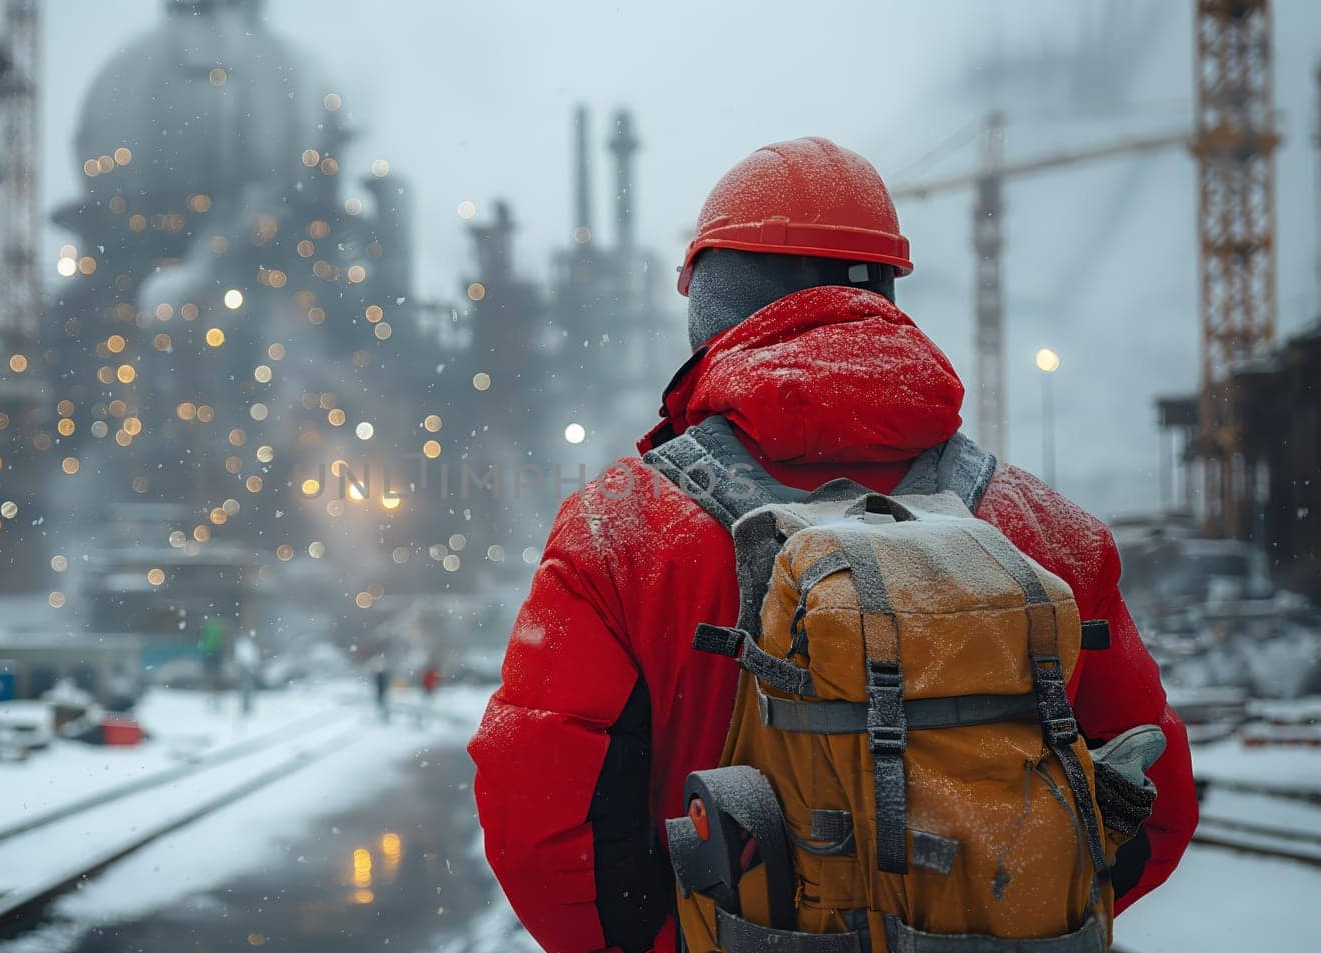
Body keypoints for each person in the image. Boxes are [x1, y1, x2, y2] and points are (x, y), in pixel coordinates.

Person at [467, 138, 1197, 953]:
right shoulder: (1046, 531)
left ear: (712, 301)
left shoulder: (621, 532)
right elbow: (1151, 800)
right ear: (884, 290)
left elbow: (540, 825)